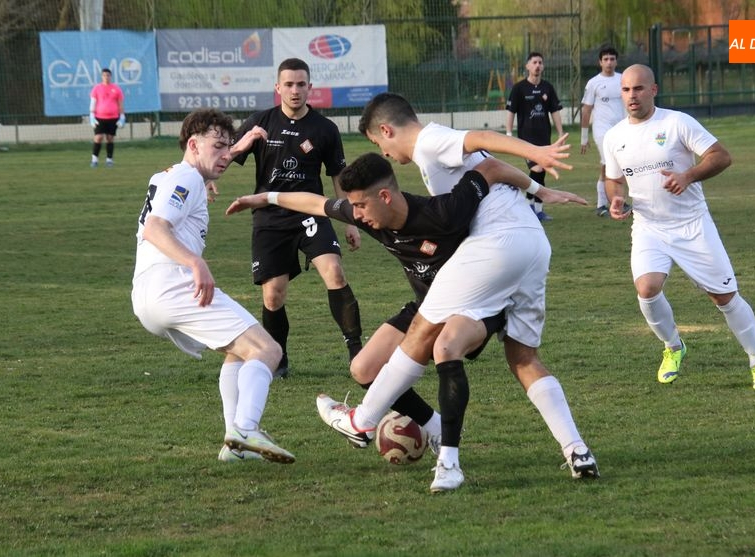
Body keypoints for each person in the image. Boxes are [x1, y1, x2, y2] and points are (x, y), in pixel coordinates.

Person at [318, 92, 598, 493]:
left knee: (423, 330)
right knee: (523, 357)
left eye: (378, 143)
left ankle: (362, 421)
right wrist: (540, 191)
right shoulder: (435, 149)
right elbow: (493, 167)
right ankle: (577, 451)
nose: (384, 153)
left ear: (386, 130)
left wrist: (535, 151)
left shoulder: (429, 142)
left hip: (496, 244)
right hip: (533, 245)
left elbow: (482, 138)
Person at [227, 153, 517, 454]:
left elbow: (489, 168)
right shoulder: (369, 215)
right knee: (364, 368)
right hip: (427, 305)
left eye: (360, 206)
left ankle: (384, 431)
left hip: (473, 307)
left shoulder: (443, 212)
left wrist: (537, 189)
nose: (356, 215)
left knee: (446, 348)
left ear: (384, 197)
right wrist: (266, 197)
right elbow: (315, 203)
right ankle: (435, 428)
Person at [131, 108, 296, 465]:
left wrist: (228, 155)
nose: (225, 154)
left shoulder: (174, 175)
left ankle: (234, 445)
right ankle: (245, 429)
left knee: (238, 350)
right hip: (173, 284)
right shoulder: (187, 178)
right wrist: (195, 262)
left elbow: (188, 183)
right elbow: (156, 228)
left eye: (228, 147)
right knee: (268, 351)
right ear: (193, 145)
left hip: (146, 294)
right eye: (218, 146)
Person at [603, 64, 755, 390]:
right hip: (648, 226)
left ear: (653, 90)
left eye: (638, 88)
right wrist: (616, 199)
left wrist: (688, 176)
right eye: (625, 90)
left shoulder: (677, 122)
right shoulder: (614, 137)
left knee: (724, 297)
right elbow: (613, 180)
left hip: (692, 225)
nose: (631, 96)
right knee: (647, 290)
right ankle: (673, 347)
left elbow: (721, 156)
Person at [230, 58, 362, 379]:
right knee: (273, 294)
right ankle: (279, 359)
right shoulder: (260, 122)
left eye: (301, 84)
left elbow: (338, 175)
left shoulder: (325, 129)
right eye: (288, 84)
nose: (295, 90)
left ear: (310, 87)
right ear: (278, 87)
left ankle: (357, 351)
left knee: (334, 272)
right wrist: (211, 176)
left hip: (311, 212)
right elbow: (227, 155)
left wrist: (349, 220)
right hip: (270, 218)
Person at [505, 52, 564, 222]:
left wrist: (560, 132)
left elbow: (555, 111)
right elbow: (511, 112)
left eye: (540, 62)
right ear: (527, 66)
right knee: (537, 169)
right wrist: (508, 134)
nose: (537, 65)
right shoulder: (519, 88)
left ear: (543, 66)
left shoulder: (547, 88)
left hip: (544, 137)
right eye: (534, 62)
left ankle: (532, 206)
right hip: (526, 139)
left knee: (540, 171)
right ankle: (535, 208)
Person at [580, 46, 625, 216]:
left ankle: (617, 201)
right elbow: (586, 110)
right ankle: (601, 205)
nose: (609, 62)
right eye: (605, 59)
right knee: (608, 164)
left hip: (621, 129)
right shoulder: (593, 83)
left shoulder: (623, 79)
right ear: (600, 62)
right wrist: (584, 137)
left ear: (616, 61)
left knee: (619, 165)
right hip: (602, 130)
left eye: (612, 59)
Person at [89, 68, 125, 168]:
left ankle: (109, 160)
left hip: (113, 117)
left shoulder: (116, 89)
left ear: (110, 76)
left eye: (108, 75)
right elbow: (93, 102)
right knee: (98, 137)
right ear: (102, 76)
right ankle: (94, 159)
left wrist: (122, 116)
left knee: (110, 138)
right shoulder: (97, 88)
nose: (106, 77)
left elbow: (120, 104)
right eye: (104, 75)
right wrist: (91, 115)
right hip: (99, 117)